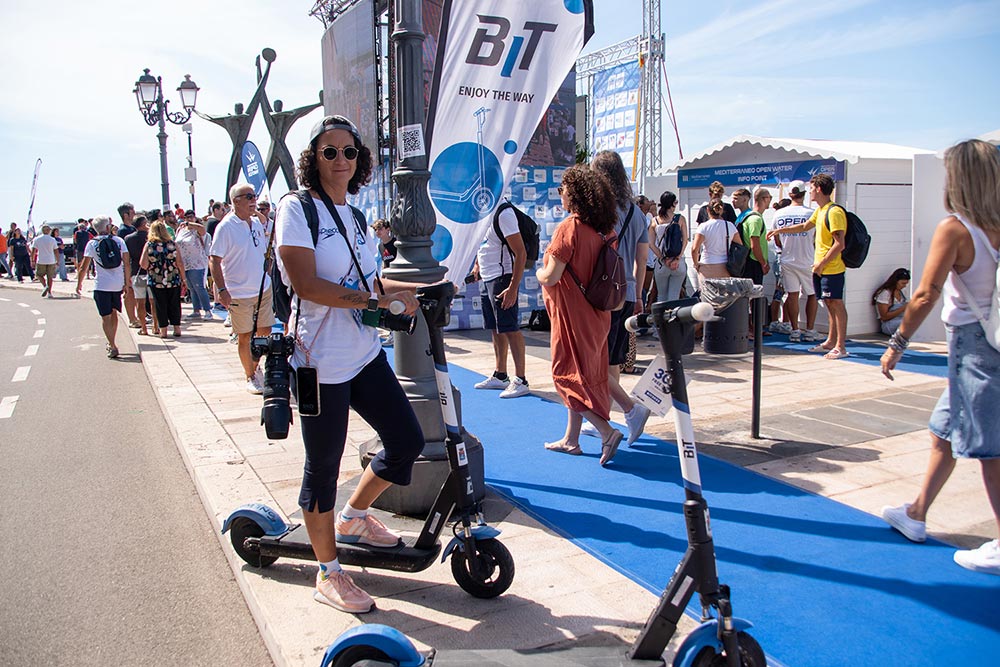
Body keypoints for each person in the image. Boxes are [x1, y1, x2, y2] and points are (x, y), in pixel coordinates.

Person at [275, 114, 429, 613]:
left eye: (349, 151)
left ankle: (354, 516)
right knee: (322, 466)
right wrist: (372, 301)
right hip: (318, 361)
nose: (340, 159)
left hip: (362, 353)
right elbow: (306, 284)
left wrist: (415, 289)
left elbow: (370, 281)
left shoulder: (358, 217)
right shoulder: (297, 209)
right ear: (313, 159)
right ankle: (328, 571)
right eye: (330, 151)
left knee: (406, 440)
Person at [879, 139, 1000, 575]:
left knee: (989, 449)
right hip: (987, 342)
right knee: (943, 431)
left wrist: (897, 343)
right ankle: (916, 512)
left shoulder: (957, 229)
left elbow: (926, 293)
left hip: (974, 346)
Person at [535, 164, 623, 465]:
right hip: (598, 314)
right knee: (585, 374)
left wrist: (538, 273)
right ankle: (571, 439)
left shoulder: (569, 227)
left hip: (571, 315)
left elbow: (551, 276)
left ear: (575, 195)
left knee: (565, 376)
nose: (561, 194)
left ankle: (606, 432)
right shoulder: (605, 230)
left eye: (564, 189)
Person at [584, 150, 650, 447]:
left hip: (602, 293)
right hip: (628, 291)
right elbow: (641, 259)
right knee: (612, 359)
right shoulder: (636, 213)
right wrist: (639, 294)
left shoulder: (600, 210)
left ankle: (629, 409)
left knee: (594, 362)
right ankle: (606, 414)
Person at [768, 173, 849, 359]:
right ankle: (830, 341)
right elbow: (804, 226)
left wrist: (821, 263)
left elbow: (840, 244)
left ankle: (841, 346)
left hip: (832, 268)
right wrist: (779, 230)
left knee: (836, 303)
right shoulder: (820, 211)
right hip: (820, 267)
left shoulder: (834, 212)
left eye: (812, 188)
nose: (810, 192)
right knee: (829, 303)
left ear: (819, 189)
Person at [210, 183, 275, 394]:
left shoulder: (255, 223)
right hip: (239, 291)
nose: (253, 200)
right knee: (245, 335)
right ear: (236, 201)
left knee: (265, 331)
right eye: (248, 197)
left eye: (254, 196)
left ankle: (255, 367)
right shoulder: (226, 227)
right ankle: (250, 375)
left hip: (263, 287)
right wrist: (222, 290)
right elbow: (214, 260)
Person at [471, 201, 531, 399]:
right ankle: (501, 375)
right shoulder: (483, 211)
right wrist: (477, 265)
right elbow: (483, 243)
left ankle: (521, 380)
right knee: (495, 328)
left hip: (502, 277)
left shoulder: (504, 213)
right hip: (487, 277)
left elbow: (521, 253)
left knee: (510, 328)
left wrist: (512, 288)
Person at [76, 216, 131, 358]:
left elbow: (84, 266)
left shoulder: (91, 244)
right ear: (107, 227)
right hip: (117, 284)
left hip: (101, 284)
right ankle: (112, 341)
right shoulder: (119, 241)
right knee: (114, 313)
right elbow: (126, 263)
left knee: (105, 317)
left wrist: (79, 283)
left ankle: (112, 345)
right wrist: (127, 283)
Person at [770, 181, 819, 342]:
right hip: (807, 259)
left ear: (790, 194)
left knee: (792, 295)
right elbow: (816, 239)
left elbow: (777, 240)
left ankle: (795, 330)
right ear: (804, 194)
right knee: (812, 294)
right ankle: (810, 330)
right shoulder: (812, 213)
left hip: (787, 259)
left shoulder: (779, 214)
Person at [141, 220, 187, 338]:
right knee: (174, 303)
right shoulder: (172, 244)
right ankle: (177, 328)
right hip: (173, 278)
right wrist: (183, 279)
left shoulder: (149, 245)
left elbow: (143, 264)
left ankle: (163, 330)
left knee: (160, 304)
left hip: (156, 280)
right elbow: (180, 263)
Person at [649, 191, 688, 304]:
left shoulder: (655, 221)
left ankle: (662, 316)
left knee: (661, 296)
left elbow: (651, 244)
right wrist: (677, 258)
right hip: (678, 263)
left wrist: (662, 258)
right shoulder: (680, 219)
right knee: (674, 297)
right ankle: (672, 315)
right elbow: (685, 240)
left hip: (662, 263)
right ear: (672, 204)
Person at [691, 200, 742, 279]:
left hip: (707, 265)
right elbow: (740, 245)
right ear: (722, 210)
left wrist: (696, 264)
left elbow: (694, 249)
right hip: (725, 266)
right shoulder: (730, 226)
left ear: (707, 210)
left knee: (706, 287)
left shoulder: (703, 226)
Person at [175, 213, 213, 320]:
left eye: (191, 217)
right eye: (187, 217)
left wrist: (190, 224)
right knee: (191, 288)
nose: (189, 219)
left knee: (199, 287)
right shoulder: (180, 230)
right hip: (185, 264)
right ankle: (196, 310)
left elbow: (202, 229)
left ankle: (207, 310)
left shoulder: (197, 230)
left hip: (197, 263)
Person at [125, 216, 156, 335]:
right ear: (143, 224)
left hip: (136, 273)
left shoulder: (128, 239)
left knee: (140, 302)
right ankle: (156, 326)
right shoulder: (151, 238)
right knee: (153, 302)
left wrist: (127, 276)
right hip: (152, 272)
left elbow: (127, 259)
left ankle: (143, 328)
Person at [872, 268, 911, 336]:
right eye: (903, 283)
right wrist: (903, 308)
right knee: (908, 323)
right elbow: (884, 317)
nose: (904, 286)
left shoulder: (902, 292)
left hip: (901, 319)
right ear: (895, 281)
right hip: (889, 324)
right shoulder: (885, 293)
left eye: (906, 283)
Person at [31, 225, 59, 297]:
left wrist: (32, 260)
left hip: (41, 260)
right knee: (50, 277)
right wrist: (57, 260)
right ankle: (49, 292)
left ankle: (45, 286)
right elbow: (56, 250)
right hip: (51, 260)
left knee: (39, 275)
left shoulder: (37, 239)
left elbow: (33, 250)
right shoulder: (52, 239)